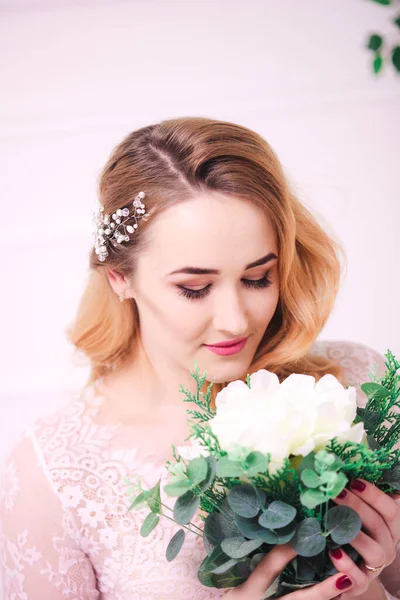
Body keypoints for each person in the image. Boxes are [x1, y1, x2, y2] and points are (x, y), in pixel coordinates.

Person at [0, 117, 399, 600]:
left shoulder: (358, 385)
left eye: (258, 278)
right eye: (194, 288)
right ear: (119, 278)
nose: (235, 320)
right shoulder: (54, 473)